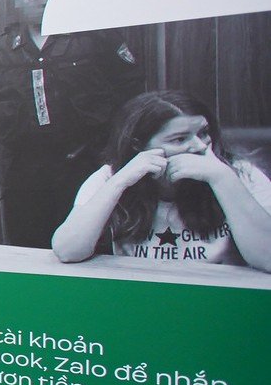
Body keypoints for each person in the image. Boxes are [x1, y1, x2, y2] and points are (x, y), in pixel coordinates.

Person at [0, 0, 142, 247]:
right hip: (27, 171)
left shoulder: (97, 38)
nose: (44, 1)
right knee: (28, 248)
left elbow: (132, 98)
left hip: (88, 165)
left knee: (93, 249)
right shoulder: (2, 50)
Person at [52, 90, 271, 271]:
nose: (200, 146)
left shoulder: (241, 172)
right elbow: (68, 251)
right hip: (144, 297)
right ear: (139, 145)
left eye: (204, 133)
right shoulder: (110, 176)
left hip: (221, 299)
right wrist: (120, 182)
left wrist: (222, 178)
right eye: (179, 139)